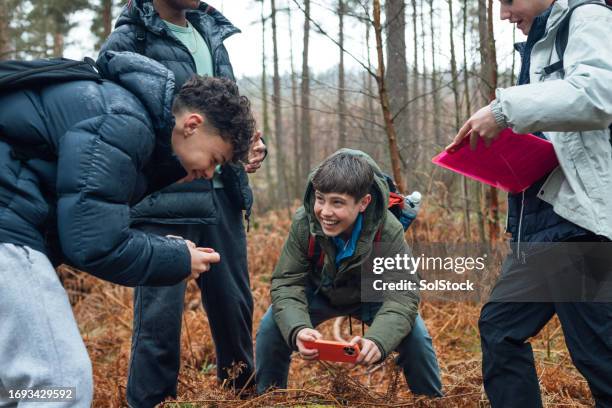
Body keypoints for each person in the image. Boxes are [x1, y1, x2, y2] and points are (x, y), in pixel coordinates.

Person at [0, 51, 255, 407]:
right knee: (59, 384)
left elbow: (84, 227)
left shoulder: (129, 119)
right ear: (192, 125)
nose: (211, 173)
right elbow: (93, 244)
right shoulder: (123, 122)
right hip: (7, 226)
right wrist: (179, 258)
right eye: (215, 160)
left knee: (10, 388)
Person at [98, 1, 265, 405]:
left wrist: (250, 143)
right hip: (164, 201)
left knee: (235, 307)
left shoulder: (211, 30)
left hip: (223, 194)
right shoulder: (130, 38)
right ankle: (151, 401)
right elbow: (119, 118)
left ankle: (242, 398)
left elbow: (228, 109)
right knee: (159, 317)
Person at [447, 0, 612, 406]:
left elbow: (597, 95)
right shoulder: (540, 43)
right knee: (500, 328)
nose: (503, 14)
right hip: (542, 227)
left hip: (578, 227)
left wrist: (505, 110)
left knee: (598, 354)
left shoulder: (589, 17)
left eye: (508, 1)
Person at [255, 149, 443, 397]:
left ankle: (431, 401)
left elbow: (403, 294)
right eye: (320, 199)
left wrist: (378, 340)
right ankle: (269, 399)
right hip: (320, 291)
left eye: (338, 203)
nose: (324, 211)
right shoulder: (305, 222)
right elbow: (287, 282)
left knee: (416, 337)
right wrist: (298, 328)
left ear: (363, 203)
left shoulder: (387, 230)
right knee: (271, 328)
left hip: (371, 295)